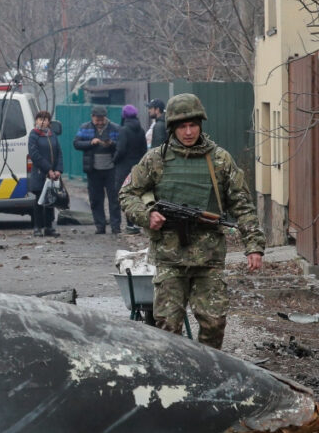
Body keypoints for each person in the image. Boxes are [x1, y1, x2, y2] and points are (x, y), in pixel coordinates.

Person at [119, 93, 265, 350]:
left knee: (214, 323)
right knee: (167, 328)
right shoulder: (156, 159)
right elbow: (127, 193)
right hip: (169, 258)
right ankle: (174, 380)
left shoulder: (219, 160)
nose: (188, 132)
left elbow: (243, 205)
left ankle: (207, 374)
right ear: (173, 128)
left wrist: (253, 246)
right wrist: (146, 215)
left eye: (193, 125)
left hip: (208, 260)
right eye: (182, 126)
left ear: (201, 125)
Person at [74, 104, 122, 234]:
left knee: (114, 199)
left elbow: (122, 145)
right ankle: (100, 226)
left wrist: (112, 144)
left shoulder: (115, 128)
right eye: (97, 120)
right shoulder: (85, 128)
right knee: (95, 199)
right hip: (93, 169)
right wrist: (91, 142)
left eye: (102, 120)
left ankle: (115, 226)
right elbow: (76, 143)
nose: (100, 123)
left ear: (106, 118)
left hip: (111, 169)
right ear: (92, 117)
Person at [28, 110, 63, 237]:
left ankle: (49, 227)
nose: (42, 122)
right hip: (40, 173)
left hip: (53, 174)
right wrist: (48, 169)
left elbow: (59, 152)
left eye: (45, 119)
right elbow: (34, 155)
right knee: (39, 201)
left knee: (50, 200)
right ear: (36, 120)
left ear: (49, 122)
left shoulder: (52, 134)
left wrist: (58, 170)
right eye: (40, 119)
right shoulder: (33, 135)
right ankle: (37, 227)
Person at [113, 104, 147, 234]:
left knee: (124, 194)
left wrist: (114, 160)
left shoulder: (124, 130)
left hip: (124, 167)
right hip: (137, 166)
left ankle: (129, 224)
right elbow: (144, 149)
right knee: (136, 194)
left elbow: (120, 149)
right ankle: (137, 223)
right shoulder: (141, 130)